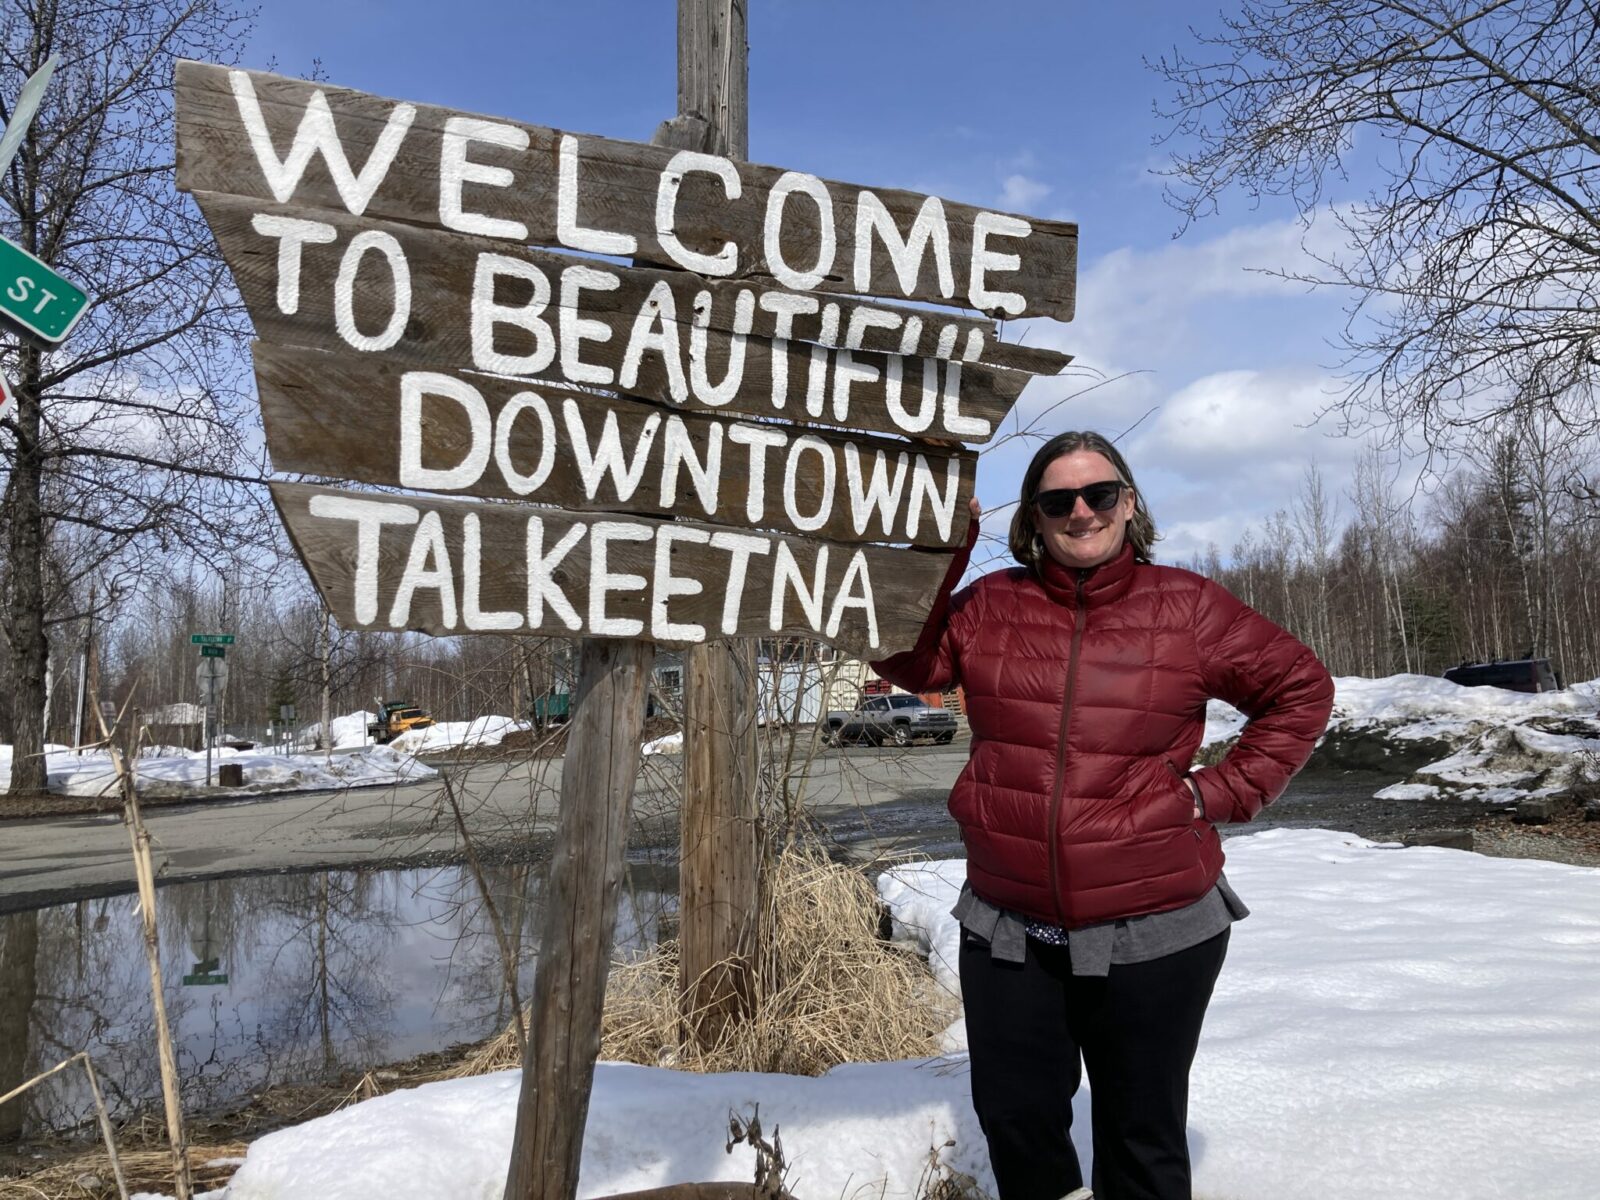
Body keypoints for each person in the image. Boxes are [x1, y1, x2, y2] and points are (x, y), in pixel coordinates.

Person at [872, 431, 1334, 1200]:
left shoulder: (1185, 605)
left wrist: (1212, 794)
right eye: (1058, 500)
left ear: (1129, 503)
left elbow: (1301, 691)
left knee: (1141, 1136)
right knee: (1018, 1123)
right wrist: (943, 552)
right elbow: (905, 660)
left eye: (1100, 493)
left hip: (1154, 927)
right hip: (1011, 927)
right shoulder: (992, 604)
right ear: (1033, 518)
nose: (1081, 512)